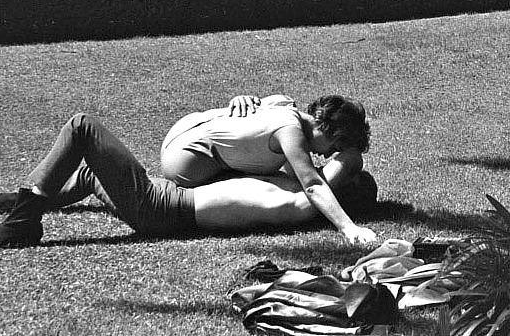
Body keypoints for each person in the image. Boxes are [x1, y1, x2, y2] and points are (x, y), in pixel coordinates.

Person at [0, 113, 378, 250]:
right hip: (167, 206)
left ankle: (23, 223)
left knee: (82, 126)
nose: (323, 157)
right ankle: (11, 206)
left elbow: (328, 177)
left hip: (164, 208)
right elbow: (327, 171)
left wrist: (350, 226)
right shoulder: (292, 184)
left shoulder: (303, 195)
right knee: (91, 172)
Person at [160, 94, 375, 243]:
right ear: (330, 132)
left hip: (182, 132)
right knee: (280, 186)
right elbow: (311, 184)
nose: (327, 155)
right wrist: (349, 228)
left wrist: (240, 99)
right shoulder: (290, 132)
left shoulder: (283, 104)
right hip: (186, 163)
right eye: (335, 148)